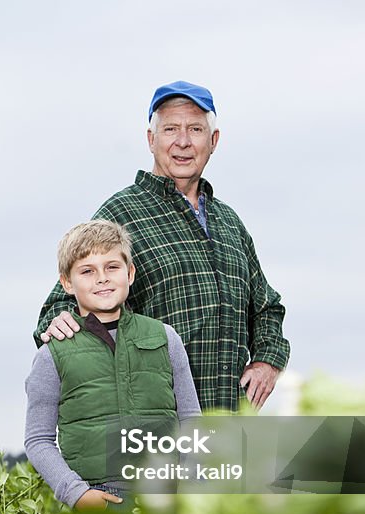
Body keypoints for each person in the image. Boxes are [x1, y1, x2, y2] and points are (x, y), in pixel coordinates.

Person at [35, 80, 289, 412]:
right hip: (155, 428)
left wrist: (267, 362)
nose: (183, 142)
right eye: (171, 129)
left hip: (229, 425)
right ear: (151, 139)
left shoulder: (229, 222)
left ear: (213, 141)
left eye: (196, 129)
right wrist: (59, 322)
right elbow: (59, 306)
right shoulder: (119, 215)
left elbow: (266, 307)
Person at [24, 220, 201, 510]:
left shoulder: (165, 338)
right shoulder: (51, 354)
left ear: (130, 273)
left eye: (112, 267)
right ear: (67, 283)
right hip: (96, 499)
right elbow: (38, 440)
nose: (102, 278)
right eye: (87, 271)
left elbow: (192, 421)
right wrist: (76, 494)